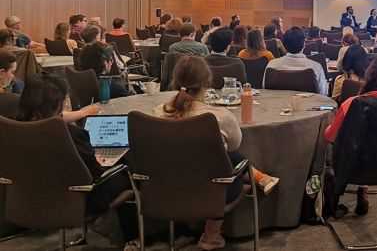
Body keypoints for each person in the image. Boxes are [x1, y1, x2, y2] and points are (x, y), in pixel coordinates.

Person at [154, 56, 278, 249]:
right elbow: (236, 144)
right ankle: (211, 236)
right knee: (227, 162)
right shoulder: (219, 117)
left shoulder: (157, 113)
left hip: (166, 187)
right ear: (207, 82)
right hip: (213, 191)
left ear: (175, 81)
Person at [16, 73, 141, 250]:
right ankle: (134, 236)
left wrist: (80, 113)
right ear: (58, 105)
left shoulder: (13, 130)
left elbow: (52, 119)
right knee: (130, 168)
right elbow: (95, 173)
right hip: (78, 198)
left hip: (29, 197)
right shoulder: (69, 137)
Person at [324, 57, 377, 216]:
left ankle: (333, 200)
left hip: (351, 165)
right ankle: (363, 188)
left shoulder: (351, 103)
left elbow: (330, 136)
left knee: (332, 152)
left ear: (368, 75)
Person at [267, 27, 328, 95]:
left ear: (283, 45)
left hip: (278, 104)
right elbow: (323, 94)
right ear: (304, 45)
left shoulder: (272, 65)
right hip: (308, 105)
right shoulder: (316, 67)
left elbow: (265, 89)